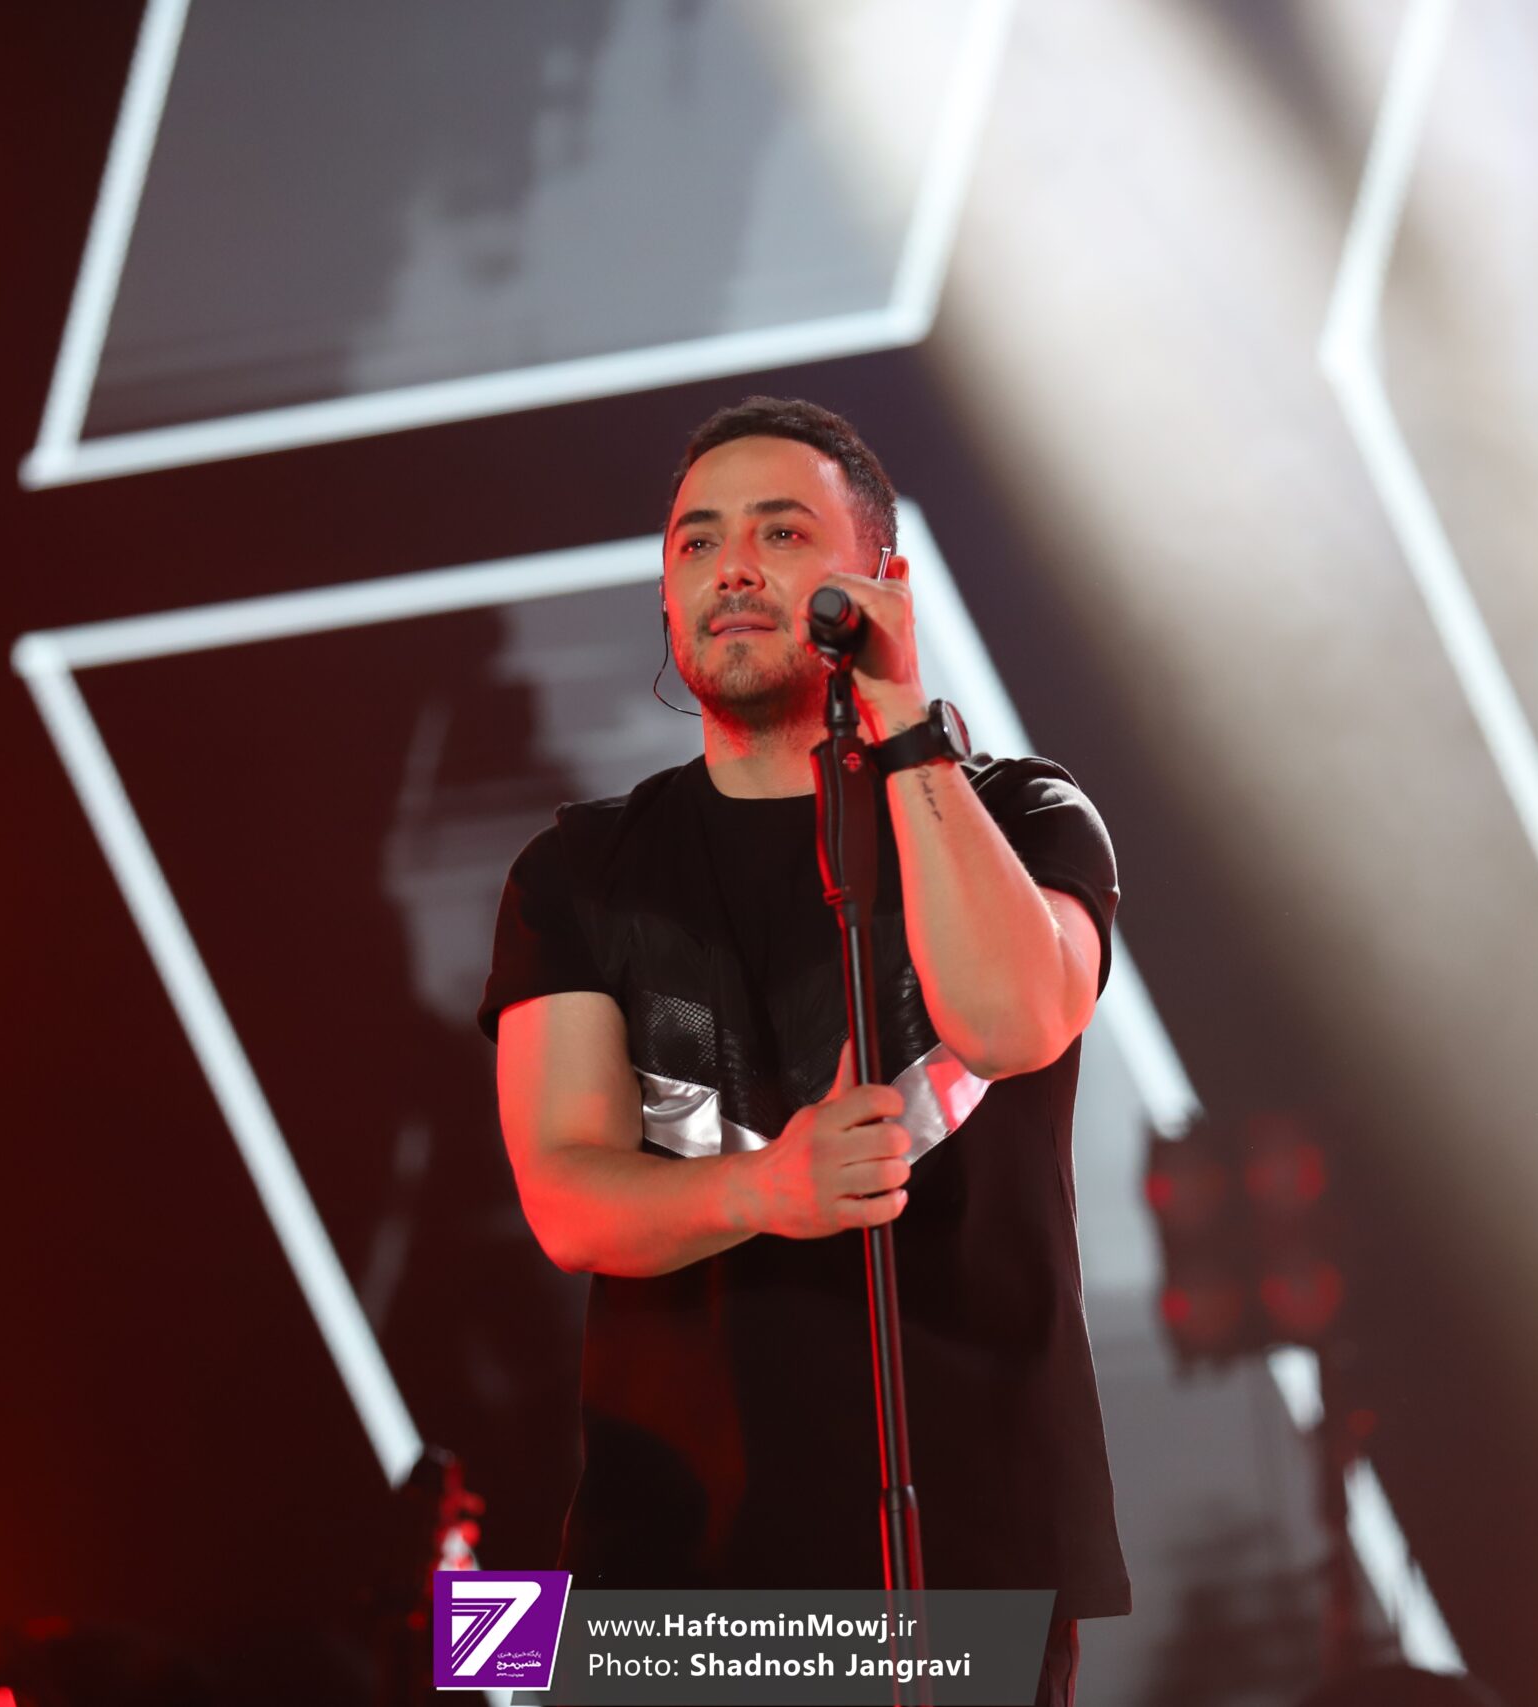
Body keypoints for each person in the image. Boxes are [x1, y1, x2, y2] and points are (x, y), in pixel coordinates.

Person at [478, 397, 1129, 1706]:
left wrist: (903, 722)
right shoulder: (579, 870)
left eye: (781, 533)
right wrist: (771, 1189)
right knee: (466, 1654)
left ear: (879, 581)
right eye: (696, 541)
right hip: (665, 1571)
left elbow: (1013, 1021)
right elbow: (565, 1198)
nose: (731, 567)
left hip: (962, 1561)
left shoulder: (1024, 813)